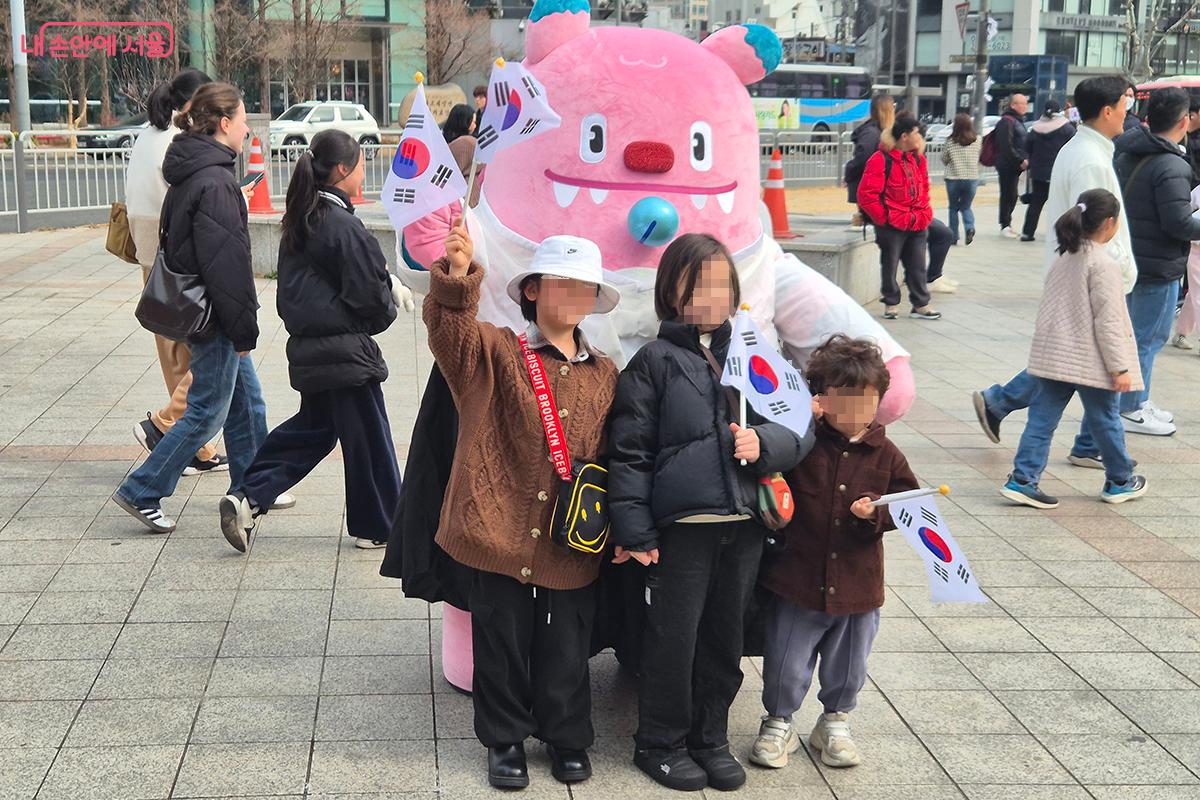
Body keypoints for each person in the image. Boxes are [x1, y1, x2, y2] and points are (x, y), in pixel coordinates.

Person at [607, 233, 810, 792]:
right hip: (683, 533)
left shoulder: (752, 354)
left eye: (721, 283)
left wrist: (763, 442)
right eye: (696, 283)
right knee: (674, 637)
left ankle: (710, 737)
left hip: (744, 526)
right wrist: (635, 526)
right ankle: (660, 742)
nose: (710, 294)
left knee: (725, 636)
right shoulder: (652, 362)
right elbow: (628, 453)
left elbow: (799, 428)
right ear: (670, 290)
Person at [425, 219, 621, 789]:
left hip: (570, 536)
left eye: (585, 287)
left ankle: (567, 738)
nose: (575, 296)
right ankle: (504, 739)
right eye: (563, 282)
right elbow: (448, 334)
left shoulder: (606, 374)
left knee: (566, 645)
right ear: (532, 290)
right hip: (499, 527)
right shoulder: (494, 351)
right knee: (501, 640)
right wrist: (456, 278)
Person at [218, 130, 402, 553]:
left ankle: (247, 494)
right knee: (370, 438)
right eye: (358, 165)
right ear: (342, 170)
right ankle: (381, 525)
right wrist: (385, 304)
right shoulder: (341, 224)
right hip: (342, 353)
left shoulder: (304, 216)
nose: (362, 173)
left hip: (311, 349)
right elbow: (370, 296)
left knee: (314, 431)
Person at [749, 335, 917, 771]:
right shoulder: (802, 442)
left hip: (858, 585)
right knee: (785, 660)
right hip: (797, 577)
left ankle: (835, 722)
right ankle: (778, 721)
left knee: (848, 664)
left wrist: (872, 516)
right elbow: (769, 471)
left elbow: (905, 507)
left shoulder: (887, 454)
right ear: (820, 398)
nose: (855, 411)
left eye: (865, 401)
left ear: (879, 399)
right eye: (842, 400)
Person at [111, 82, 267, 533]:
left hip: (206, 309)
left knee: (247, 403)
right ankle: (143, 489)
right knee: (207, 411)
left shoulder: (194, 171)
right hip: (216, 315)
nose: (246, 129)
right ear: (224, 123)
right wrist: (242, 329)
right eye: (242, 120)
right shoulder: (215, 182)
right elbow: (227, 266)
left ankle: (254, 488)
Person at [972, 76, 1136, 464]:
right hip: (1092, 278)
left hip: (1080, 273)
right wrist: (1119, 272)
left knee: (1063, 365)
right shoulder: (1089, 159)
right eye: (1125, 105)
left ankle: (1006, 415)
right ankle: (1100, 459)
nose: (1129, 113)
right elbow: (1102, 228)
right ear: (1107, 110)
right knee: (1078, 368)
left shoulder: (1083, 148)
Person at [1000, 190, 1147, 508]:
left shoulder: (1066, 256)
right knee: (1106, 420)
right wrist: (1119, 367)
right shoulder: (1103, 264)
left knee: (1041, 421)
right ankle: (1120, 480)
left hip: (1054, 355)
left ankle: (1022, 480)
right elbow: (1108, 322)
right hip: (1089, 360)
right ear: (1110, 223)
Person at [124, 68, 229, 475]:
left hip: (150, 252)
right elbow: (190, 198)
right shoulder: (178, 142)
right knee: (206, 355)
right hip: (179, 256)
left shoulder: (147, 135)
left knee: (174, 356)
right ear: (192, 104)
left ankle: (196, 448)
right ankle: (164, 427)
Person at [1111, 86, 1200, 436]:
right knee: (1147, 338)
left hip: (1136, 256)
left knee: (1144, 335)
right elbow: (1178, 221)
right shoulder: (1171, 164)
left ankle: (1138, 399)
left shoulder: (1131, 150)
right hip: (1157, 261)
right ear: (1184, 120)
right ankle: (1132, 406)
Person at [857, 113, 941, 321]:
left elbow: (924, 186)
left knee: (918, 264)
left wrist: (924, 209)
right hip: (891, 222)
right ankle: (891, 303)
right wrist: (882, 218)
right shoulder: (880, 159)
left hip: (917, 220)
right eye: (915, 133)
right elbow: (867, 194)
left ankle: (921, 304)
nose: (919, 136)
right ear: (904, 136)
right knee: (890, 264)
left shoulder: (918, 159)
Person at [1021, 100, 1076, 242]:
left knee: (1036, 203)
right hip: (1059, 171)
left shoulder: (1035, 128)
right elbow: (1074, 146)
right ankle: (1060, 234)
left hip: (1038, 172)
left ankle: (1027, 233)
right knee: (1060, 203)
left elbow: (1027, 147)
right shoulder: (1067, 128)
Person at [844, 95, 895, 223]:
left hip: (877, 188)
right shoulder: (874, 133)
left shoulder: (879, 132)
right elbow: (863, 159)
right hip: (872, 188)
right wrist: (850, 171)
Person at [942, 112, 981, 245]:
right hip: (971, 178)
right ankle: (970, 227)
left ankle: (953, 236)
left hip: (953, 178)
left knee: (953, 208)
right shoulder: (978, 140)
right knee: (966, 207)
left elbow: (944, 159)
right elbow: (979, 156)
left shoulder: (950, 142)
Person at [994, 93, 1030, 239]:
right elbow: (1006, 146)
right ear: (1013, 105)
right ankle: (1005, 224)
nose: (1024, 106)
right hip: (1007, 164)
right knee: (1008, 194)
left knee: (1012, 194)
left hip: (1015, 165)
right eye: (1021, 103)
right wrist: (1020, 160)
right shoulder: (1007, 121)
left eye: (1025, 103)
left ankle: (1007, 224)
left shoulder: (1018, 120)